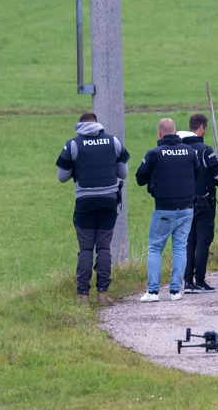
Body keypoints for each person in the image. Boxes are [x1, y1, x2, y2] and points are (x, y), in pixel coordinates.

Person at [56, 112, 130, 306]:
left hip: (85, 202)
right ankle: (103, 295)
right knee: (104, 248)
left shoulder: (73, 144)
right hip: (108, 201)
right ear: (97, 125)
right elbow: (123, 173)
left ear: (79, 126)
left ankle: (83, 296)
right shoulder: (113, 141)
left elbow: (62, 177)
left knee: (86, 248)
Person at [136, 118, 200, 302]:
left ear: (159, 133)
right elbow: (196, 173)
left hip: (164, 209)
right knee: (180, 248)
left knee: (156, 248)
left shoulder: (154, 153)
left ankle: (153, 292)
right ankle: (175, 291)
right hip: (187, 208)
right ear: (176, 132)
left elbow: (140, 178)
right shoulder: (189, 151)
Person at [177, 114, 218, 294]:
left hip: (185, 202)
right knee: (203, 241)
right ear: (202, 128)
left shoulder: (180, 148)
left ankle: (187, 282)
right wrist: (217, 163)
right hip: (204, 202)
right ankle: (200, 281)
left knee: (189, 241)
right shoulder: (205, 149)